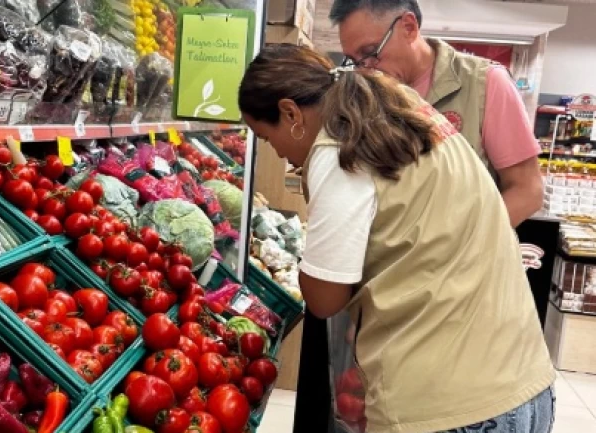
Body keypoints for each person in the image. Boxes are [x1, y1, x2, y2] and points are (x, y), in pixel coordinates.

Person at [238, 44, 555, 433]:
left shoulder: (339, 148)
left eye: (267, 139)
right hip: (524, 385)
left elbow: (324, 297)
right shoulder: (404, 113)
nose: (282, 155)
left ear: (290, 113)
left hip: (446, 408)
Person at [331, 0, 542, 228]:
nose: (366, 70)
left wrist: (465, 245)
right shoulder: (368, 96)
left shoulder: (485, 83)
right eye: (354, 61)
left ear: (409, 27)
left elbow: (527, 191)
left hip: (462, 258)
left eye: (371, 52)